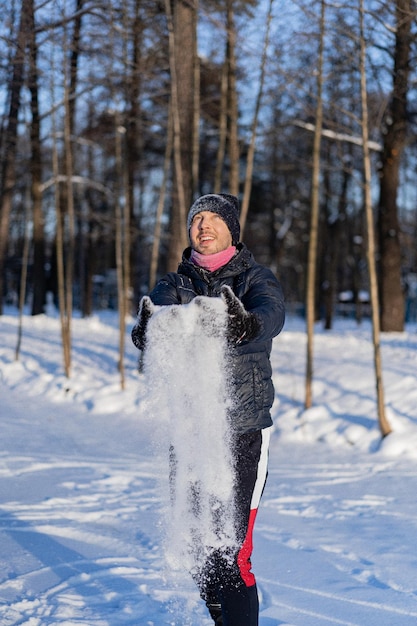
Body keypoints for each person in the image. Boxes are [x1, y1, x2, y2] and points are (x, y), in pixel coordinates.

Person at [132, 193, 285, 626]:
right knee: (200, 547)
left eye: (214, 217)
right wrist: (148, 329)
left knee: (232, 552)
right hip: (192, 431)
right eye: (197, 218)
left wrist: (246, 324)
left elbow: (270, 315)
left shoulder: (256, 278)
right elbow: (154, 321)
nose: (204, 225)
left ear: (231, 230)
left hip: (242, 431)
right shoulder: (175, 282)